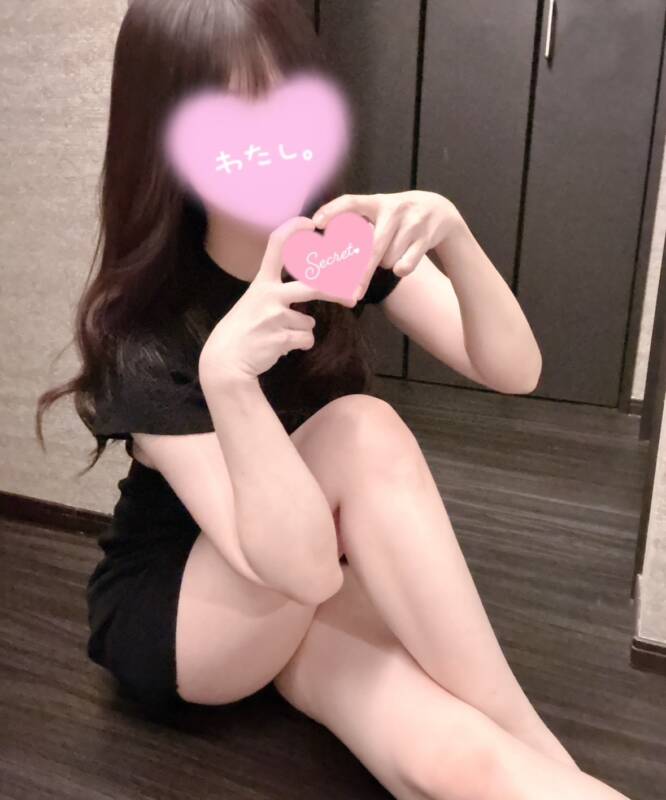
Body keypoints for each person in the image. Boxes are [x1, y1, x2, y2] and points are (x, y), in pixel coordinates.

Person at [36, 2, 635, 798]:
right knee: (358, 429)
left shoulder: (333, 247)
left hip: (301, 580)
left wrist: (454, 233)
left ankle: (549, 764)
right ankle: (535, 735)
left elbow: (514, 369)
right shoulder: (143, 332)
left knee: (458, 762)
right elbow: (303, 569)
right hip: (191, 614)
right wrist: (227, 381)